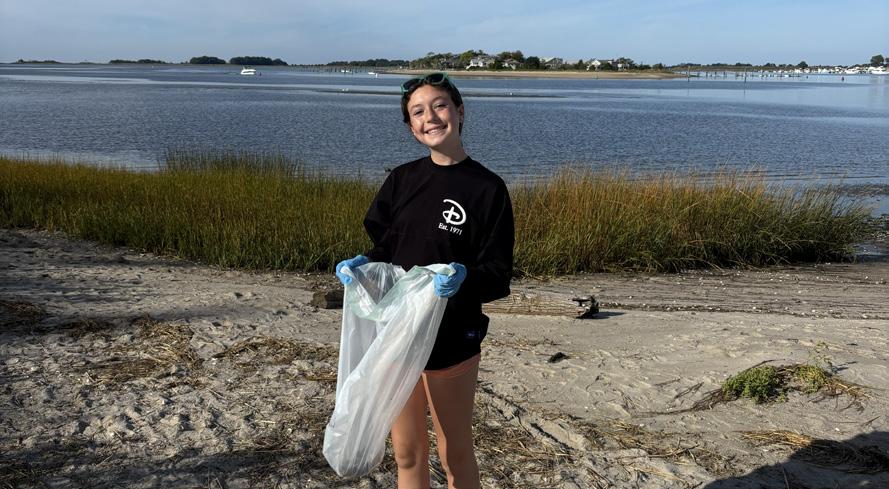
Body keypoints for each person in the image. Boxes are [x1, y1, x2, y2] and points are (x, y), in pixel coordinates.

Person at [334, 72, 514, 489]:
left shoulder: (488, 189)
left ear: (460, 111)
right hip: (397, 334)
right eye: (417, 112)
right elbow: (387, 248)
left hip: (452, 338)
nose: (430, 117)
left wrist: (464, 277)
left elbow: (498, 275)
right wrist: (362, 265)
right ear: (411, 126)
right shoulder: (401, 180)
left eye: (439, 106)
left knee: (456, 452)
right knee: (408, 452)